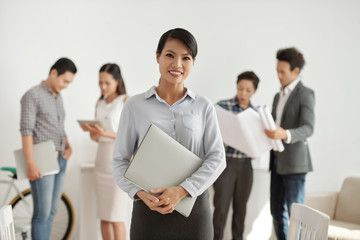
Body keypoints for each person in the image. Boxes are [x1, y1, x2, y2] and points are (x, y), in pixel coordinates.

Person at [112, 28, 226, 240]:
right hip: (148, 210)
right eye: (170, 55)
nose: (177, 65)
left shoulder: (203, 106)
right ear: (157, 56)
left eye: (186, 58)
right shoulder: (134, 106)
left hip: (193, 212)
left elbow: (217, 158)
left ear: (193, 63)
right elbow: (119, 161)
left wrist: (182, 190)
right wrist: (139, 193)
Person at [20, 57, 77, 240]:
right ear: (54, 73)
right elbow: (26, 130)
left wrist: (68, 145)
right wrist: (30, 162)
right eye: (65, 81)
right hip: (42, 160)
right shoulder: (33, 95)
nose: (67, 85)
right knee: (42, 214)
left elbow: (58, 126)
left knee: (52, 211)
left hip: (60, 159)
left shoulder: (57, 97)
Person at [264, 47, 315, 240]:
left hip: (295, 164)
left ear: (296, 71)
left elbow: (308, 128)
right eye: (277, 70)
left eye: (282, 71)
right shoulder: (278, 96)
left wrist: (284, 133)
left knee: (296, 215)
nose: (278, 75)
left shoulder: (306, 94)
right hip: (276, 161)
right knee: (275, 210)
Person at [80, 63, 129, 240]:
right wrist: (94, 133)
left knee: (116, 216)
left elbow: (129, 135)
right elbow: (96, 138)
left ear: (118, 81)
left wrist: (104, 133)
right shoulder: (99, 103)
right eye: (100, 83)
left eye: (107, 83)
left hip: (118, 160)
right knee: (104, 216)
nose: (103, 87)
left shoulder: (125, 101)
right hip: (101, 159)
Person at [213, 71, 260, 240]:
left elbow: (258, 143)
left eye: (248, 90)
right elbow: (211, 136)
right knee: (221, 209)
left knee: (240, 211)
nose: (243, 94)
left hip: (246, 166)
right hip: (226, 164)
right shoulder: (222, 107)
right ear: (236, 87)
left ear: (254, 91)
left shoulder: (257, 114)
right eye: (240, 89)